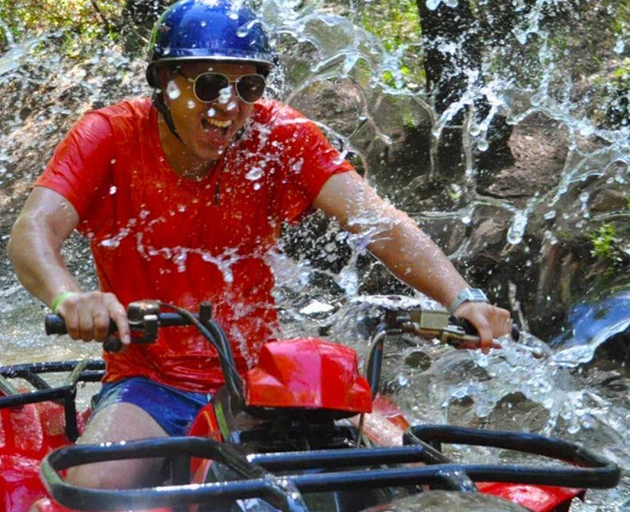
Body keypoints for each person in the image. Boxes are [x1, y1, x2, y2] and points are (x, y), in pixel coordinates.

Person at [7, 0, 512, 499]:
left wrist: (461, 297)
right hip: (151, 383)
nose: (228, 105)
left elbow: (378, 222)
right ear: (165, 81)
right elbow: (32, 235)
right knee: (94, 489)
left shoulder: (280, 134)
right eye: (209, 84)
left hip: (262, 380)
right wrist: (69, 298)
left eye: (247, 86)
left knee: (408, 474)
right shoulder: (108, 135)